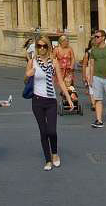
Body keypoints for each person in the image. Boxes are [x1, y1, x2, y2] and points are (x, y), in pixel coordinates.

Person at [25, 36, 74, 170]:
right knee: (43, 131)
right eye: (39, 46)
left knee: (52, 131)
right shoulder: (32, 61)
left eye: (44, 46)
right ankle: (47, 160)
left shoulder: (54, 62)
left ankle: (55, 153)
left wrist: (69, 99)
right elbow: (26, 80)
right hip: (37, 101)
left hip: (51, 100)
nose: (41, 48)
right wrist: (28, 74)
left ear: (48, 47)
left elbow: (60, 81)